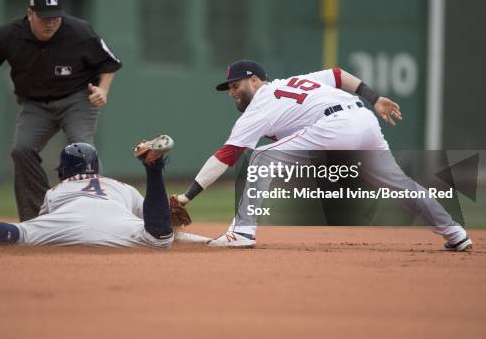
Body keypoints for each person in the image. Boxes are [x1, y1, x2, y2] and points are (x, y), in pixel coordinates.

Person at [175, 60, 473, 251]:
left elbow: (227, 155)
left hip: (337, 126)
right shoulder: (295, 82)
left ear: (255, 80)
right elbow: (338, 74)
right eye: (228, 87)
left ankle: (242, 232)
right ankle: (455, 233)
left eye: (236, 84)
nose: (231, 91)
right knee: (400, 185)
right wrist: (374, 98)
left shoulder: (260, 105)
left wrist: (186, 198)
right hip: (363, 118)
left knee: (261, 158)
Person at [0, 0, 122, 221]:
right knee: (22, 150)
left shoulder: (79, 31)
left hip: (77, 99)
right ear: (30, 14)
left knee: (83, 151)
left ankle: (97, 215)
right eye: (44, 17)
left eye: (56, 17)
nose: (50, 23)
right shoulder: (9, 34)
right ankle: (37, 218)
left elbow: (108, 64)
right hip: (35, 105)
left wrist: (103, 89)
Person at [0, 136, 209, 249]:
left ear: (64, 171)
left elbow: (41, 221)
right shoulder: (121, 187)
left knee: (22, 232)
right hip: (118, 227)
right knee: (159, 237)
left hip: (66, 223)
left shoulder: (56, 191)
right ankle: (154, 170)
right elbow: (155, 218)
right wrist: (177, 227)